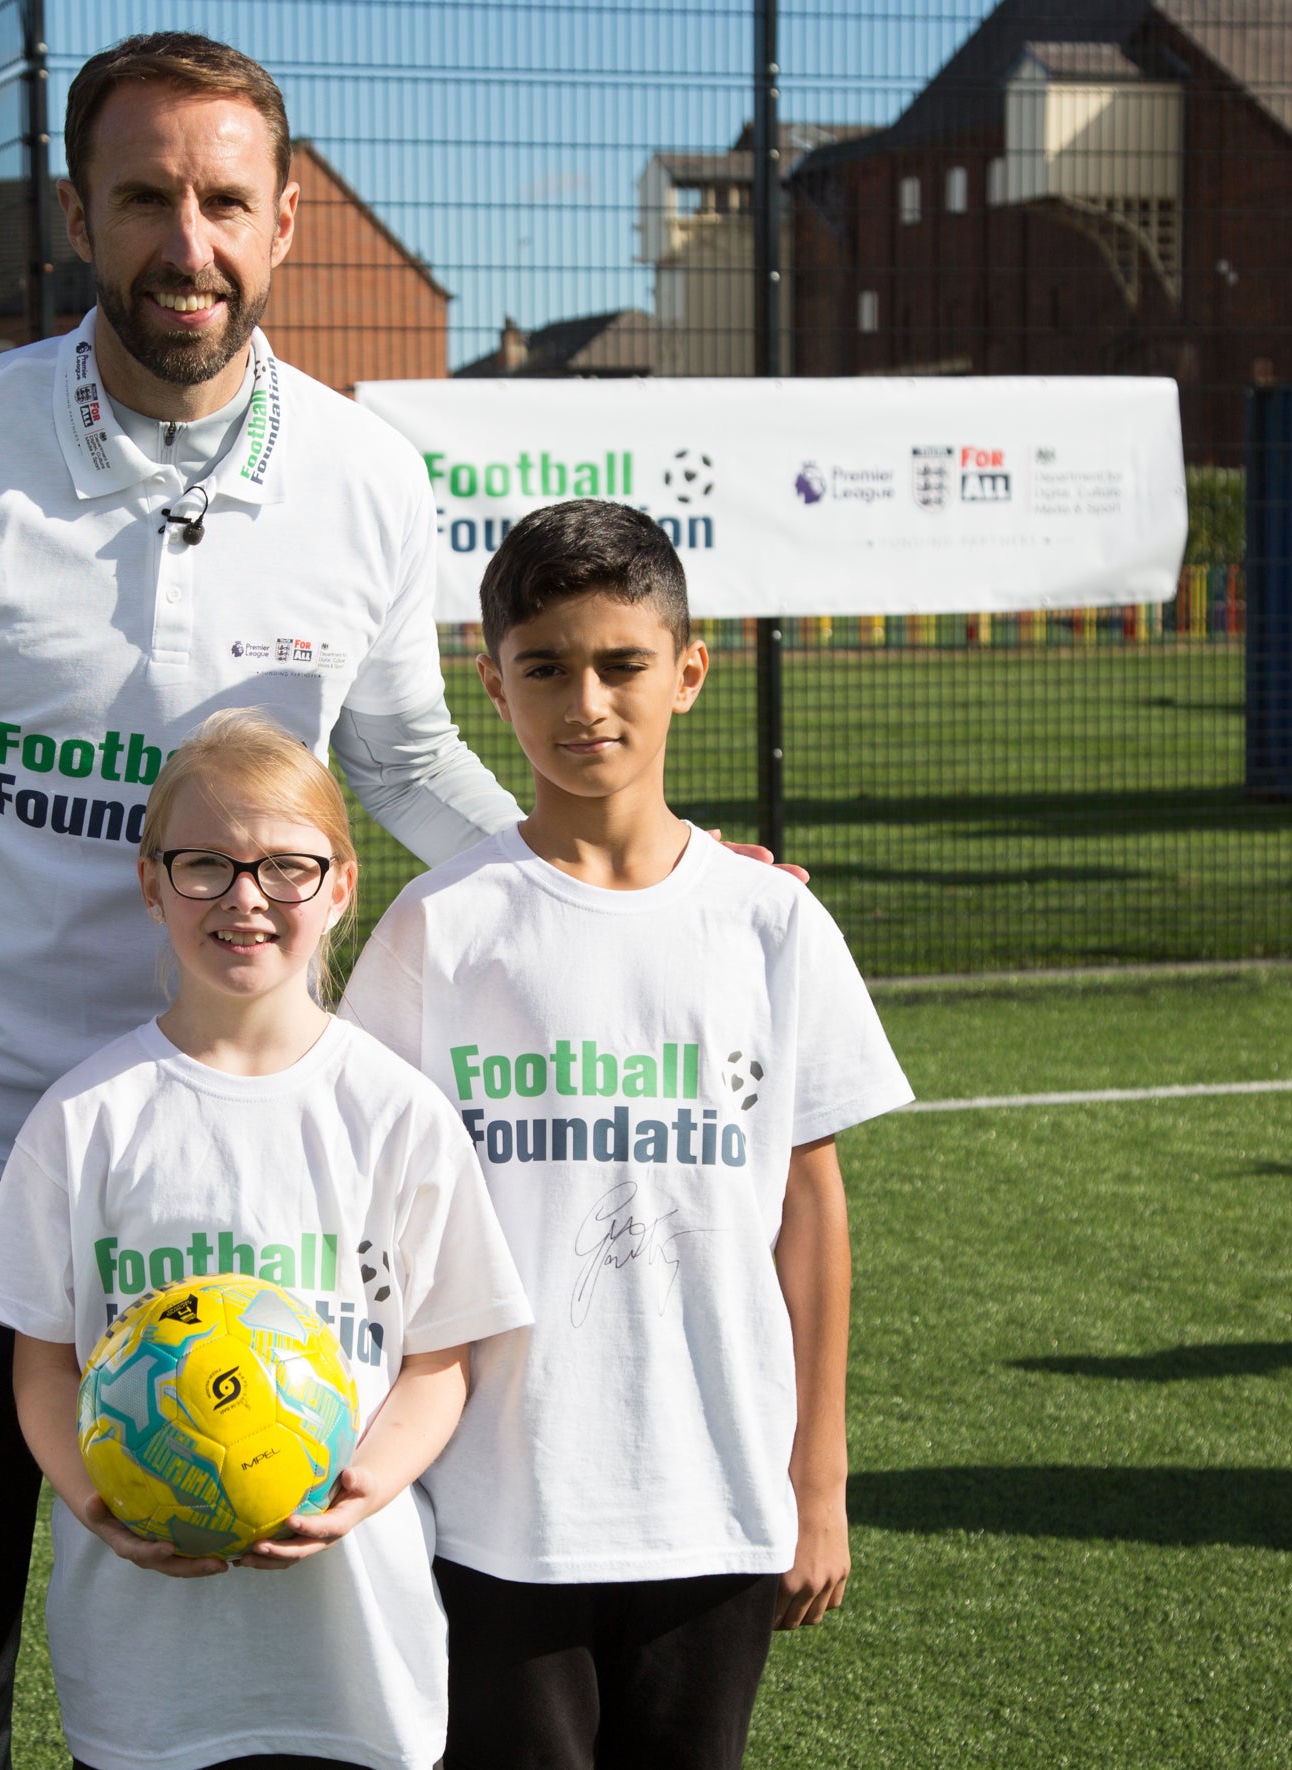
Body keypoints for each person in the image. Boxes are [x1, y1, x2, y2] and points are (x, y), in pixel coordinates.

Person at [0, 35, 787, 1770]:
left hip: (244, 1170)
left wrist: (628, 876)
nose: (181, 243)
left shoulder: (362, 477)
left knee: (254, 1681)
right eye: (143, 198)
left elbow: (411, 760)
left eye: (220, 201)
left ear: (281, 224)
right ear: (80, 214)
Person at [339, 501, 913, 1770]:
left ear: (689, 673)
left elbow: (808, 1209)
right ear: (493, 685)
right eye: (545, 666)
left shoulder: (771, 923)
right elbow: (369, 1223)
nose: (585, 699)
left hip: (714, 1498)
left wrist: (818, 1479)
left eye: (622, 664)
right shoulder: (440, 929)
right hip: (494, 1506)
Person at [0, 709, 533, 1770]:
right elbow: (41, 1359)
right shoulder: (87, 1119)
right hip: (148, 1673)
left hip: (358, 1656)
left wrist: (365, 1486)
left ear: (342, 884)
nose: (244, 898)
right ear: (149, 883)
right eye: (204, 866)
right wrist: (92, 1499)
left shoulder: (395, 1113)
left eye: (285, 867)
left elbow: (440, 1357)